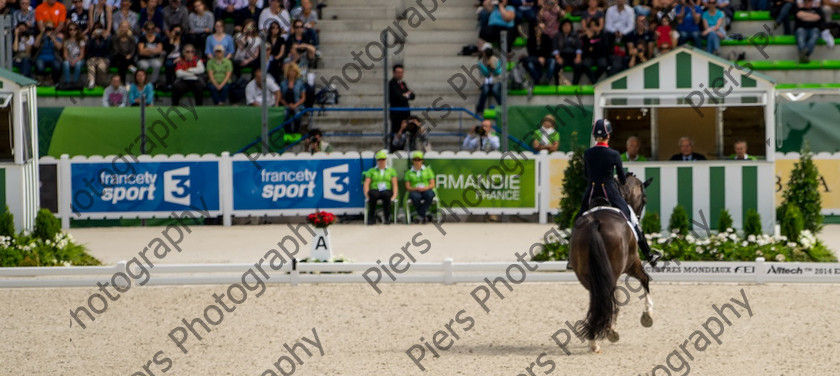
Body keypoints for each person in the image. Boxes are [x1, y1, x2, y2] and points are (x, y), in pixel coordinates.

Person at [570, 119, 661, 269]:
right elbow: (623, 178)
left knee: (579, 218)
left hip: (592, 191)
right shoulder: (613, 154)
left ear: (594, 136)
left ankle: (571, 258)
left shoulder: (588, 153)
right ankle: (648, 254)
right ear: (609, 136)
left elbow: (586, 175)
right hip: (609, 191)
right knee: (631, 218)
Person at [363, 150, 398, 225]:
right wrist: (366, 194)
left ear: (386, 160)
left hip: (386, 189)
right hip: (375, 189)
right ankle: (371, 218)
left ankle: (387, 218)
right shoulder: (371, 171)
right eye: (379, 159)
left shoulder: (391, 171)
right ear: (377, 160)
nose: (381, 161)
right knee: (373, 195)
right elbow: (366, 183)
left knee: (387, 195)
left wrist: (394, 195)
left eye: (383, 159)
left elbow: (394, 184)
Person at [404, 151, 436, 224]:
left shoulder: (428, 170)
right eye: (415, 160)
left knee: (430, 195)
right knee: (415, 197)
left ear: (422, 160)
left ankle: (420, 215)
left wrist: (426, 187)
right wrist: (415, 188)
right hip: (415, 190)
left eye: (419, 160)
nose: (417, 162)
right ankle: (423, 215)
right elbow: (408, 186)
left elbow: (432, 184)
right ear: (413, 161)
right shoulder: (409, 172)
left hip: (426, 189)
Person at [523, 22, 555, 89]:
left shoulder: (547, 38)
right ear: (535, 28)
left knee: (552, 61)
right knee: (529, 64)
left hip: (545, 58)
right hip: (534, 59)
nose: (541, 30)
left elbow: (549, 50)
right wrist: (538, 58)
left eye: (543, 28)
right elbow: (530, 52)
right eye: (540, 28)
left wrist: (543, 57)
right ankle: (537, 80)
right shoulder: (531, 38)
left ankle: (547, 79)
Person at [388, 64, 415, 146]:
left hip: (405, 114)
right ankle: (394, 151)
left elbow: (413, 96)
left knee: (406, 133)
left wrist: (404, 95)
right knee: (396, 133)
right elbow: (398, 97)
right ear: (394, 73)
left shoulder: (403, 83)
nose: (400, 74)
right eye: (398, 72)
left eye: (401, 72)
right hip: (396, 115)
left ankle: (405, 150)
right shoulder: (391, 84)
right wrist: (406, 95)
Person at [279, 63, 306, 133]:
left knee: (297, 115)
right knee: (285, 115)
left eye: (294, 71)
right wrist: (287, 105)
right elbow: (280, 97)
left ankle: (295, 132)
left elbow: (303, 98)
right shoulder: (283, 83)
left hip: (297, 105)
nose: (292, 73)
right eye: (290, 71)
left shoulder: (300, 83)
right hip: (286, 105)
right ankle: (288, 132)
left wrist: (295, 105)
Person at [553, 18, 582, 85]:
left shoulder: (575, 35)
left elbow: (579, 48)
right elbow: (555, 49)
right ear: (562, 27)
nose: (566, 27)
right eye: (565, 26)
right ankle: (557, 84)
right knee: (557, 65)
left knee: (579, 65)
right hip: (562, 57)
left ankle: (575, 84)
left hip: (573, 57)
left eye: (568, 26)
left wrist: (578, 57)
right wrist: (558, 58)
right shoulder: (557, 35)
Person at [476, 43, 502, 114]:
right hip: (485, 82)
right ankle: (479, 109)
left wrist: (493, 67)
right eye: (485, 51)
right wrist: (488, 66)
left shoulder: (496, 60)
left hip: (496, 81)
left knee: (495, 90)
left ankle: (502, 107)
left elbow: (499, 72)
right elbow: (483, 74)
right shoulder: (480, 61)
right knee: (485, 90)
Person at [136, 21, 164, 85]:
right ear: (145, 30)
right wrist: (154, 50)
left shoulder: (158, 38)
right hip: (143, 59)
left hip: (154, 59)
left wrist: (147, 49)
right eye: (148, 29)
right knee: (144, 65)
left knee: (158, 64)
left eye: (152, 29)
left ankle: (153, 82)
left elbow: (159, 50)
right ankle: (143, 82)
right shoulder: (142, 38)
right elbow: (141, 52)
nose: (150, 30)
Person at [86, 21, 110, 88]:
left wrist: (105, 39)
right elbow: (88, 50)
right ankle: (91, 82)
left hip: (103, 58)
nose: (98, 31)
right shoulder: (90, 38)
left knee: (101, 67)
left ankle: (101, 83)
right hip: (92, 57)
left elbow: (108, 50)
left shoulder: (106, 38)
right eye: (96, 29)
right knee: (91, 64)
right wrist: (92, 38)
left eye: (99, 29)